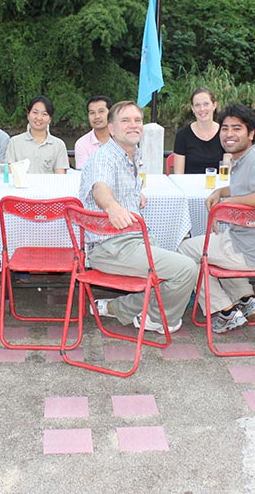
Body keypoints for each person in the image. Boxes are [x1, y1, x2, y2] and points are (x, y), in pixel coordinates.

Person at [79, 100, 196, 334]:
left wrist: (133, 194)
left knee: (175, 267)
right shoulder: (105, 157)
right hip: (111, 247)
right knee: (187, 269)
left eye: (137, 120)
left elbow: (115, 183)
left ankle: (117, 308)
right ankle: (156, 319)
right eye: (125, 120)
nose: (134, 125)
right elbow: (100, 187)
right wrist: (112, 207)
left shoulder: (130, 154)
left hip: (131, 240)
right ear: (111, 128)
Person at [178, 104, 255, 333]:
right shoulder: (244, 158)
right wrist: (221, 192)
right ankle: (245, 298)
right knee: (211, 243)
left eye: (237, 128)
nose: (229, 134)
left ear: (251, 133)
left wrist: (227, 205)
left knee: (185, 251)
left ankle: (224, 311)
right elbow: (242, 188)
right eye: (225, 129)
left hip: (249, 249)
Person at [6, 95, 69, 174]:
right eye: (35, 112)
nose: (39, 118)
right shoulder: (14, 142)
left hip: (48, 186)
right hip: (20, 186)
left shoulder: (58, 145)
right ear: (28, 115)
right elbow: (9, 173)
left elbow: (60, 178)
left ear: (50, 119)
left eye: (44, 114)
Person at [172, 88, 225, 174]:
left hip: (219, 186)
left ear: (214, 105)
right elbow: (178, 175)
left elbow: (227, 172)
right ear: (192, 109)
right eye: (197, 105)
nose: (202, 109)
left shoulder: (225, 133)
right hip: (189, 186)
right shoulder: (182, 135)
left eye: (206, 104)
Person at [74, 95, 112, 170]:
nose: (97, 116)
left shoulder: (123, 139)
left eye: (101, 111)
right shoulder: (82, 144)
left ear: (111, 113)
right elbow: (84, 174)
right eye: (92, 113)